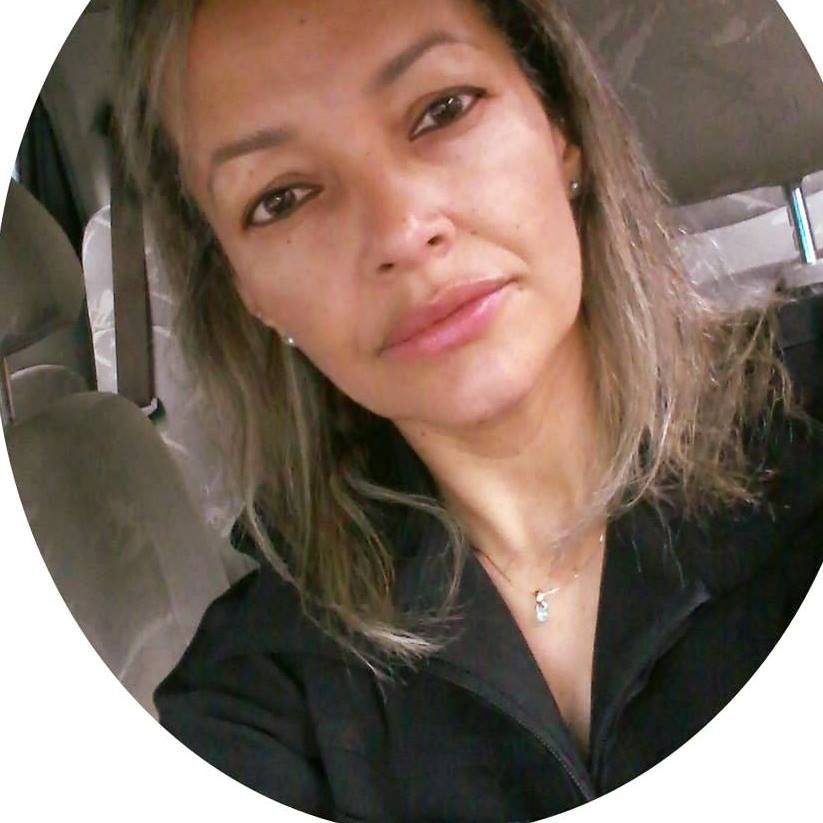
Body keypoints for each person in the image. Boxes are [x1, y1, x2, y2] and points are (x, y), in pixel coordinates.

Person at [114, 0, 823, 819]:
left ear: (559, 125)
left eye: (442, 109)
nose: (401, 229)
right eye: (284, 197)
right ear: (251, 294)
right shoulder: (255, 696)